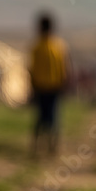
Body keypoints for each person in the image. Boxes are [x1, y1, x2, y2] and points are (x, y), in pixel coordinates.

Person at [29, 11, 69, 157]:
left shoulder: (36, 47)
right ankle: (52, 146)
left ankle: (39, 146)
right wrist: (64, 83)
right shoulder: (58, 46)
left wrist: (32, 87)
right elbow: (64, 68)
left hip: (42, 88)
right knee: (52, 116)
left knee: (41, 117)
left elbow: (31, 70)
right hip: (54, 87)